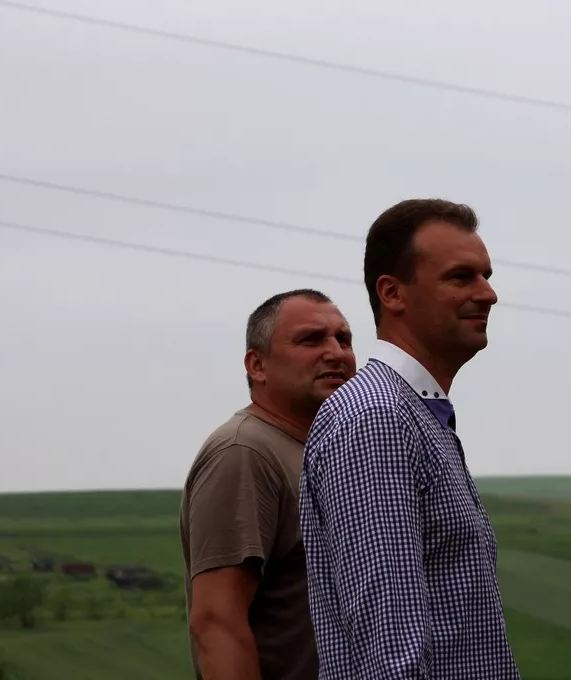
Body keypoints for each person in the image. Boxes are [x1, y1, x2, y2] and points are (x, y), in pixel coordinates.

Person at [299, 199, 521, 678]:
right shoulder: (377, 419)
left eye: (486, 276)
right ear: (392, 293)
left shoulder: (415, 412)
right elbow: (390, 653)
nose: (488, 294)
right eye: (461, 277)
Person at [179, 288, 356, 680]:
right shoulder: (244, 452)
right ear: (257, 365)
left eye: (343, 339)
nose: (336, 353)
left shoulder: (326, 450)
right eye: (311, 339)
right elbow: (216, 622)